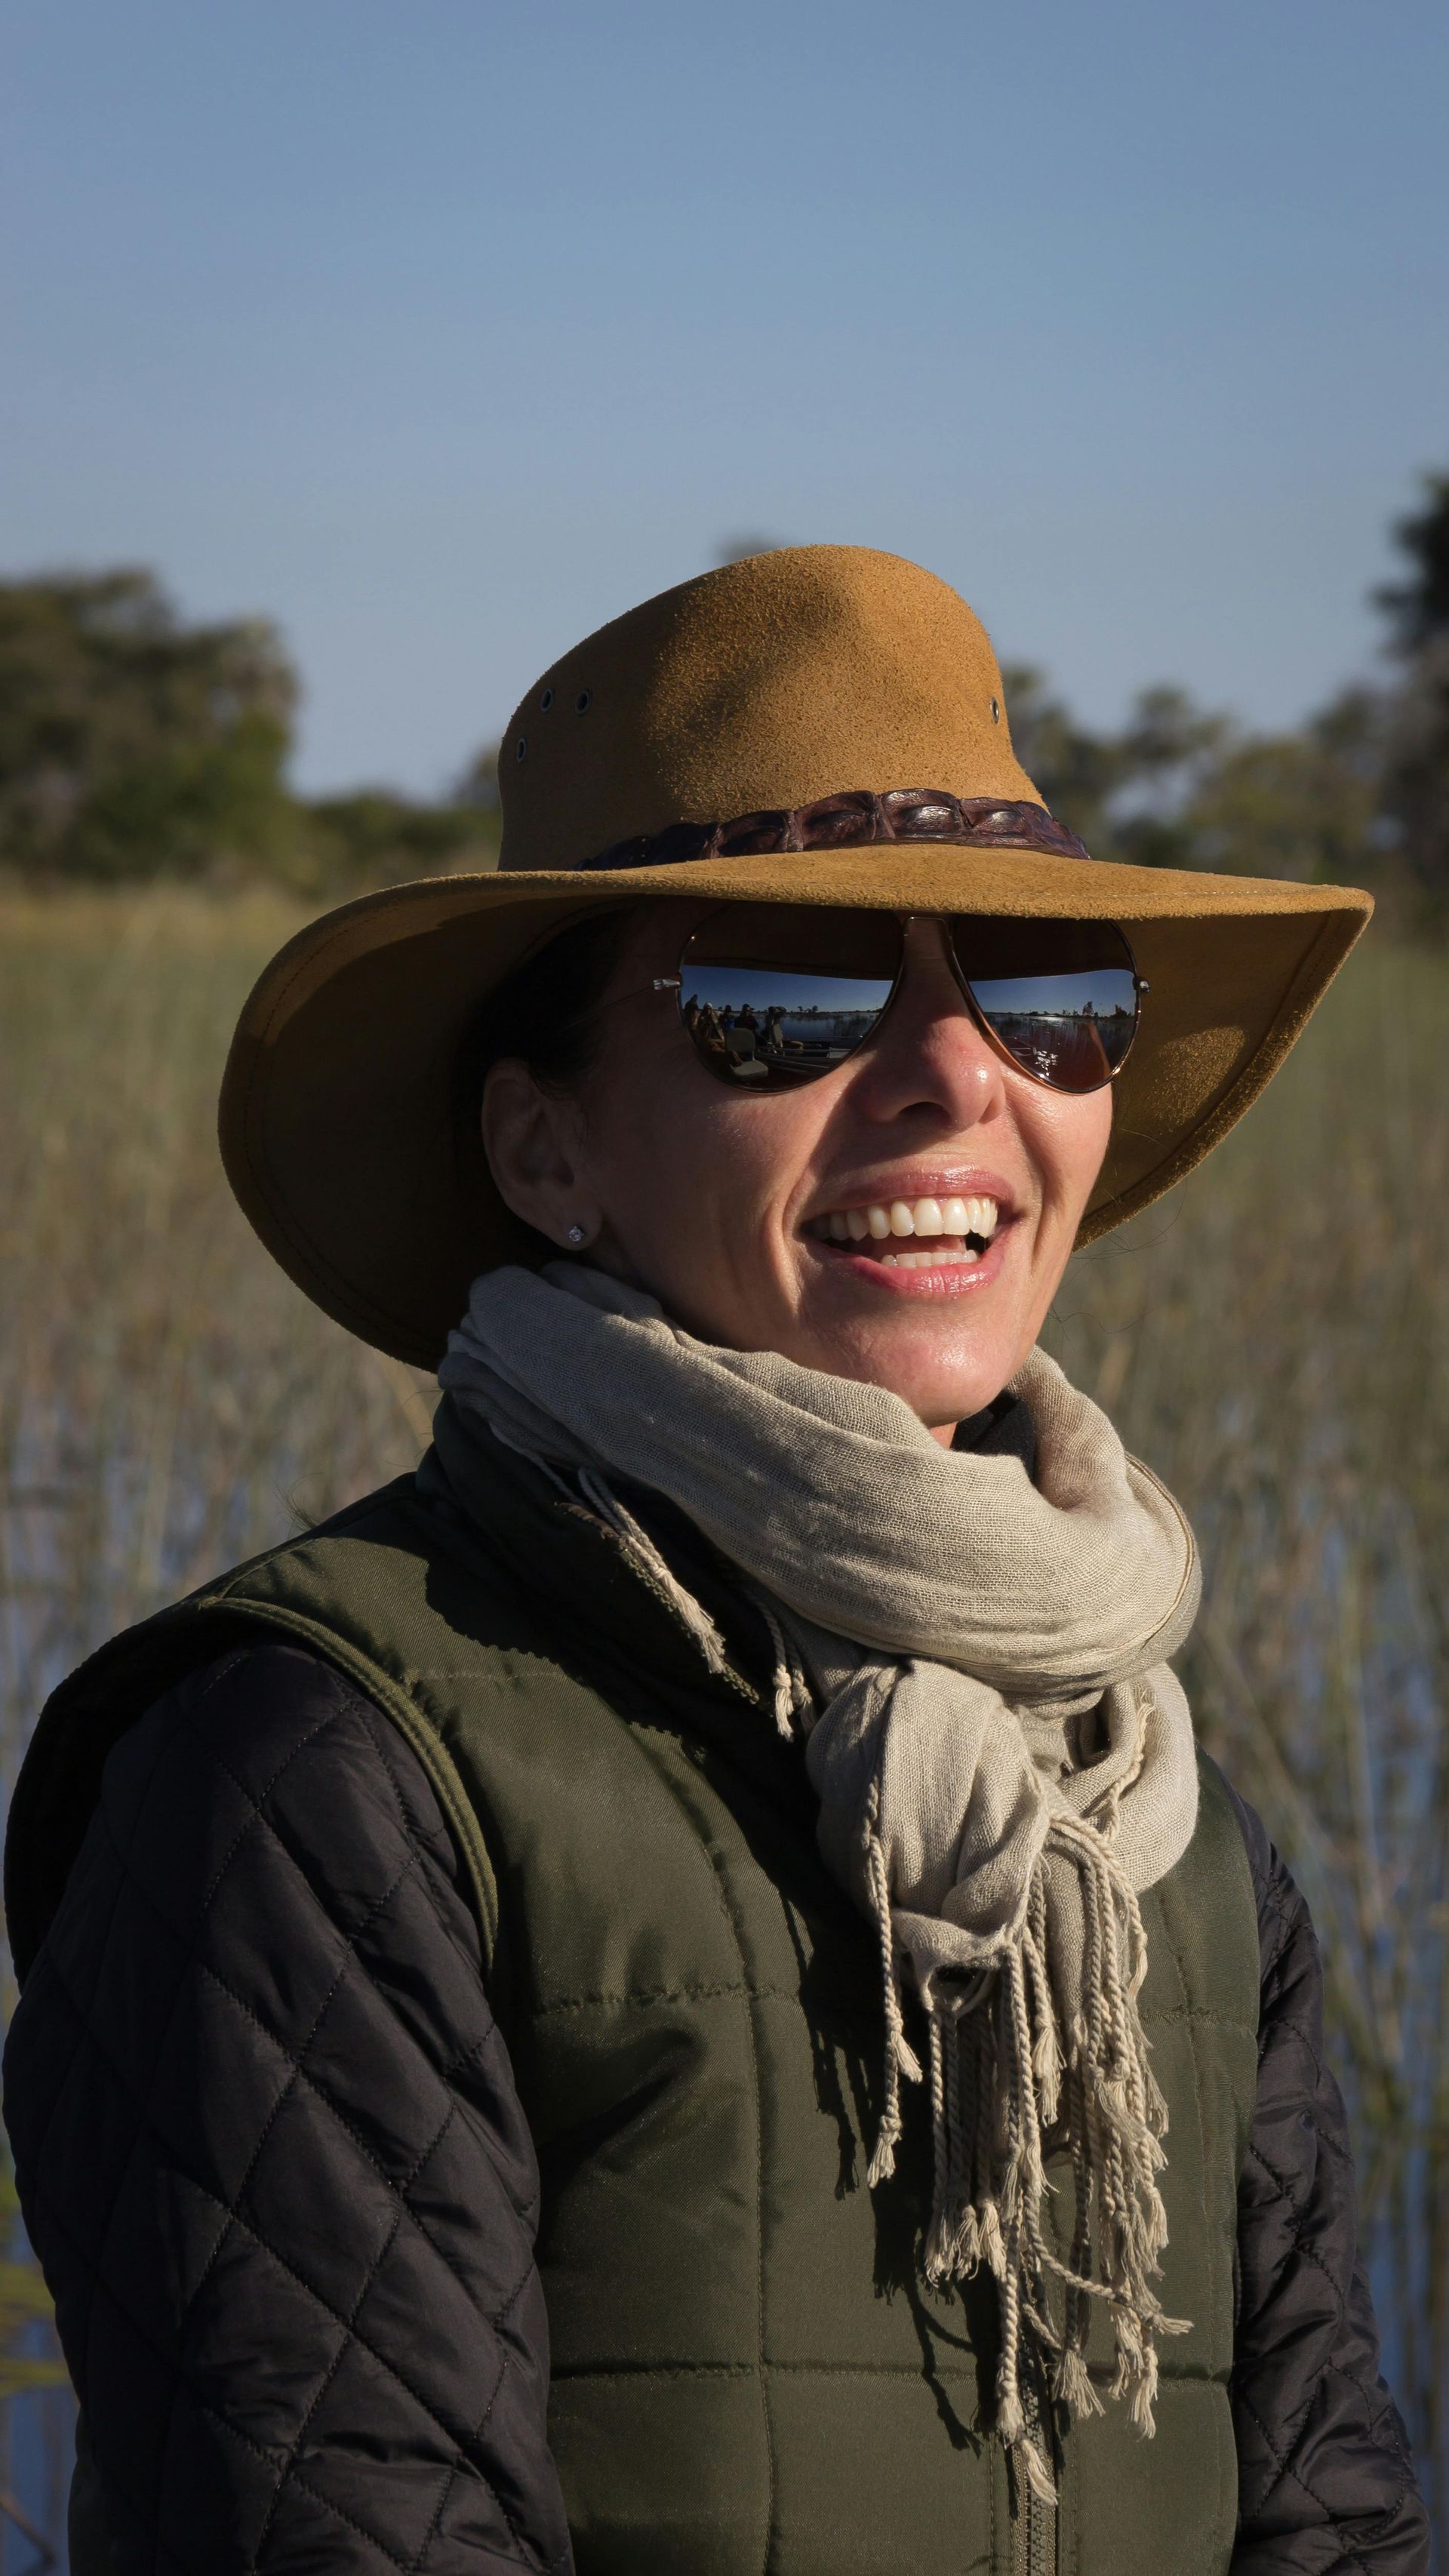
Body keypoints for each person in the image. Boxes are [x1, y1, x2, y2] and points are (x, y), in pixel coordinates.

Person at [3, 547, 1429, 2576]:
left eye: (1051, 997)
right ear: (546, 1150)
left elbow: (1334, 2516)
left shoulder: (1163, 1817)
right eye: (789, 1003)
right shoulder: (312, 1771)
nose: (960, 1076)